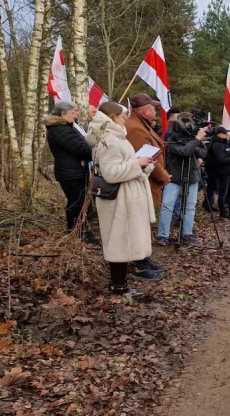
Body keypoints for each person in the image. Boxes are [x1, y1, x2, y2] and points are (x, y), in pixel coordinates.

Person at [87, 102, 163, 295]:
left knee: (123, 240)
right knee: (118, 242)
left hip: (126, 197)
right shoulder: (110, 140)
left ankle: (121, 284)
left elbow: (126, 167)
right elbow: (111, 173)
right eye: (123, 115)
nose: (126, 118)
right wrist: (137, 163)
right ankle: (119, 286)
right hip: (119, 199)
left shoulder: (118, 137)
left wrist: (145, 165)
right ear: (113, 117)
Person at [44, 101, 97, 244]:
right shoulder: (60, 129)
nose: (77, 114)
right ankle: (81, 232)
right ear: (63, 114)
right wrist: (94, 151)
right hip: (70, 172)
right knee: (77, 202)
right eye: (74, 112)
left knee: (76, 201)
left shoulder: (66, 127)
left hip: (74, 170)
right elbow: (80, 149)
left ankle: (74, 228)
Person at [156, 114, 208, 246]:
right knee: (167, 206)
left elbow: (203, 153)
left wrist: (193, 144)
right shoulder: (172, 140)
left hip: (192, 177)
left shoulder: (193, 138)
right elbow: (184, 151)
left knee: (190, 207)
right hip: (174, 178)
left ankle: (187, 233)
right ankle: (163, 236)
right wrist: (196, 140)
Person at [125, 93, 171, 208]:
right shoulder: (136, 128)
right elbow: (149, 159)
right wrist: (164, 177)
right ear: (146, 111)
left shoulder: (140, 125)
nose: (156, 112)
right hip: (143, 185)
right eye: (154, 109)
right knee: (140, 222)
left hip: (146, 183)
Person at [205, 126, 230, 218]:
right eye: (224, 134)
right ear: (219, 135)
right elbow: (221, 159)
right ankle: (223, 212)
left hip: (229, 171)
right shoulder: (216, 145)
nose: (227, 135)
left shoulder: (227, 143)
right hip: (222, 172)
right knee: (223, 192)